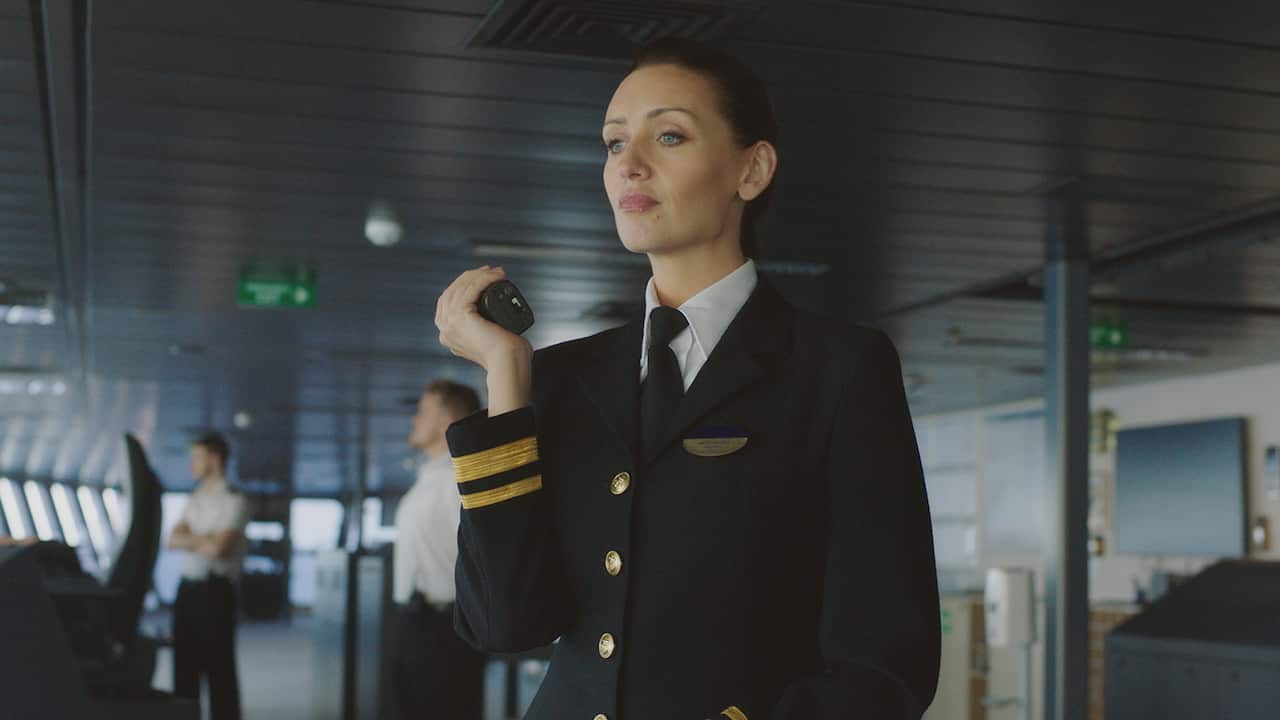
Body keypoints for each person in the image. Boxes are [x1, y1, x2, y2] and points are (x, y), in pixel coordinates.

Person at [434, 38, 940, 720]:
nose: (629, 166)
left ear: (752, 170)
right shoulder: (561, 377)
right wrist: (506, 379)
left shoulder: (837, 370)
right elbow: (505, 625)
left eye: (668, 135)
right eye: (614, 144)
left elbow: (884, 663)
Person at [392, 379, 487, 719]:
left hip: (445, 626)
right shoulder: (428, 477)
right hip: (415, 621)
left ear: (447, 419)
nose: (414, 420)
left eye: (422, 412)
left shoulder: (458, 480)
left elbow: (479, 557)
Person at [165, 431, 250, 720]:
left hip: (216, 591)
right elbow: (172, 540)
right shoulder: (196, 498)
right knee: (184, 668)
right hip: (187, 590)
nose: (192, 465)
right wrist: (205, 539)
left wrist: (194, 539)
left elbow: (220, 549)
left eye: (197, 458)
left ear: (215, 459)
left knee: (219, 670)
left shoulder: (234, 499)